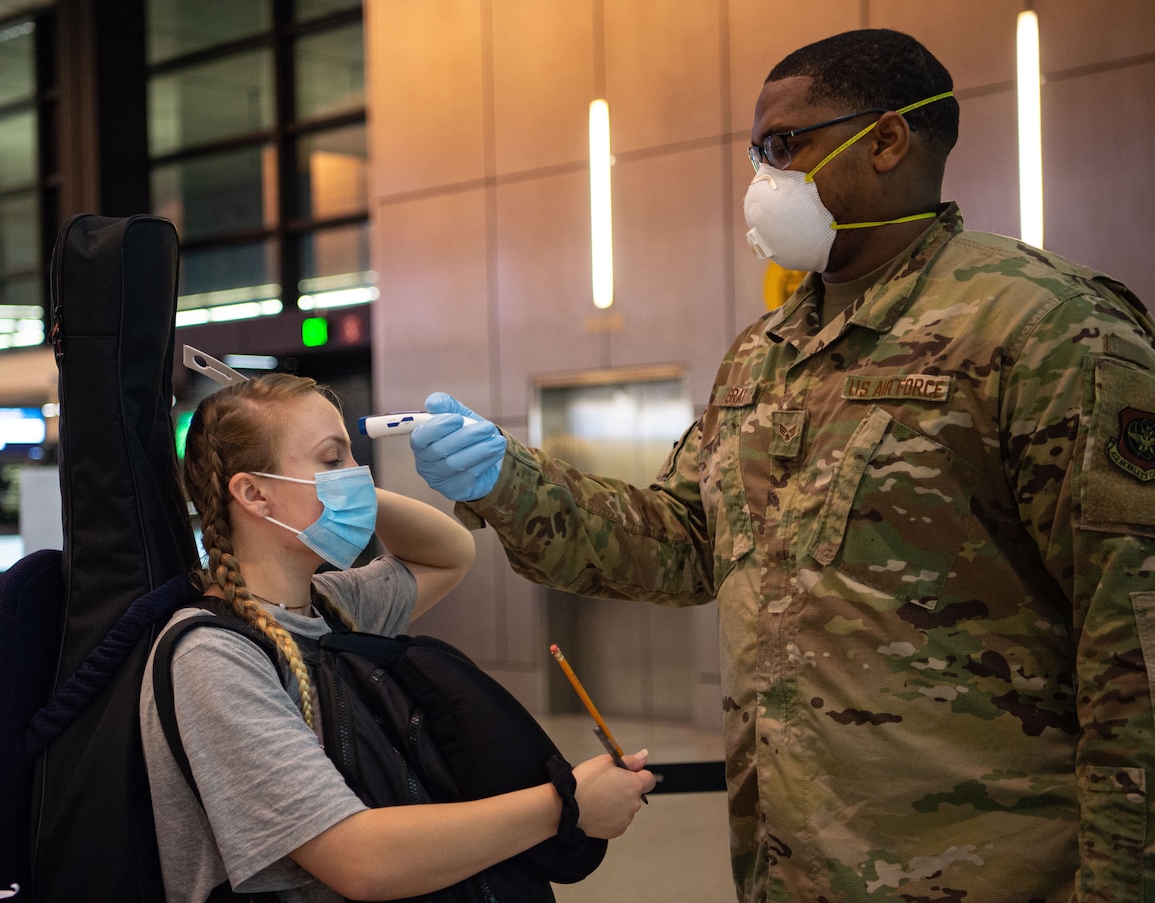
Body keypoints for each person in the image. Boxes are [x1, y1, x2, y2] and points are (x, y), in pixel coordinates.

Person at [406, 28, 1155, 902]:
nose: (763, 177)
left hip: (988, 869)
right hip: (787, 864)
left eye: (784, 145)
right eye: (756, 152)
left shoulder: (1045, 329)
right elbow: (682, 541)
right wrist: (504, 479)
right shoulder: (763, 353)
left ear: (885, 141)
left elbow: (1132, 646)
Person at [138, 373, 655, 902]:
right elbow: (358, 860)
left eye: (353, 459)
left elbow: (451, 553)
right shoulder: (214, 654)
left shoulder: (336, 606)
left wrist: (349, 487)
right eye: (333, 459)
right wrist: (565, 804)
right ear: (253, 493)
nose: (357, 476)